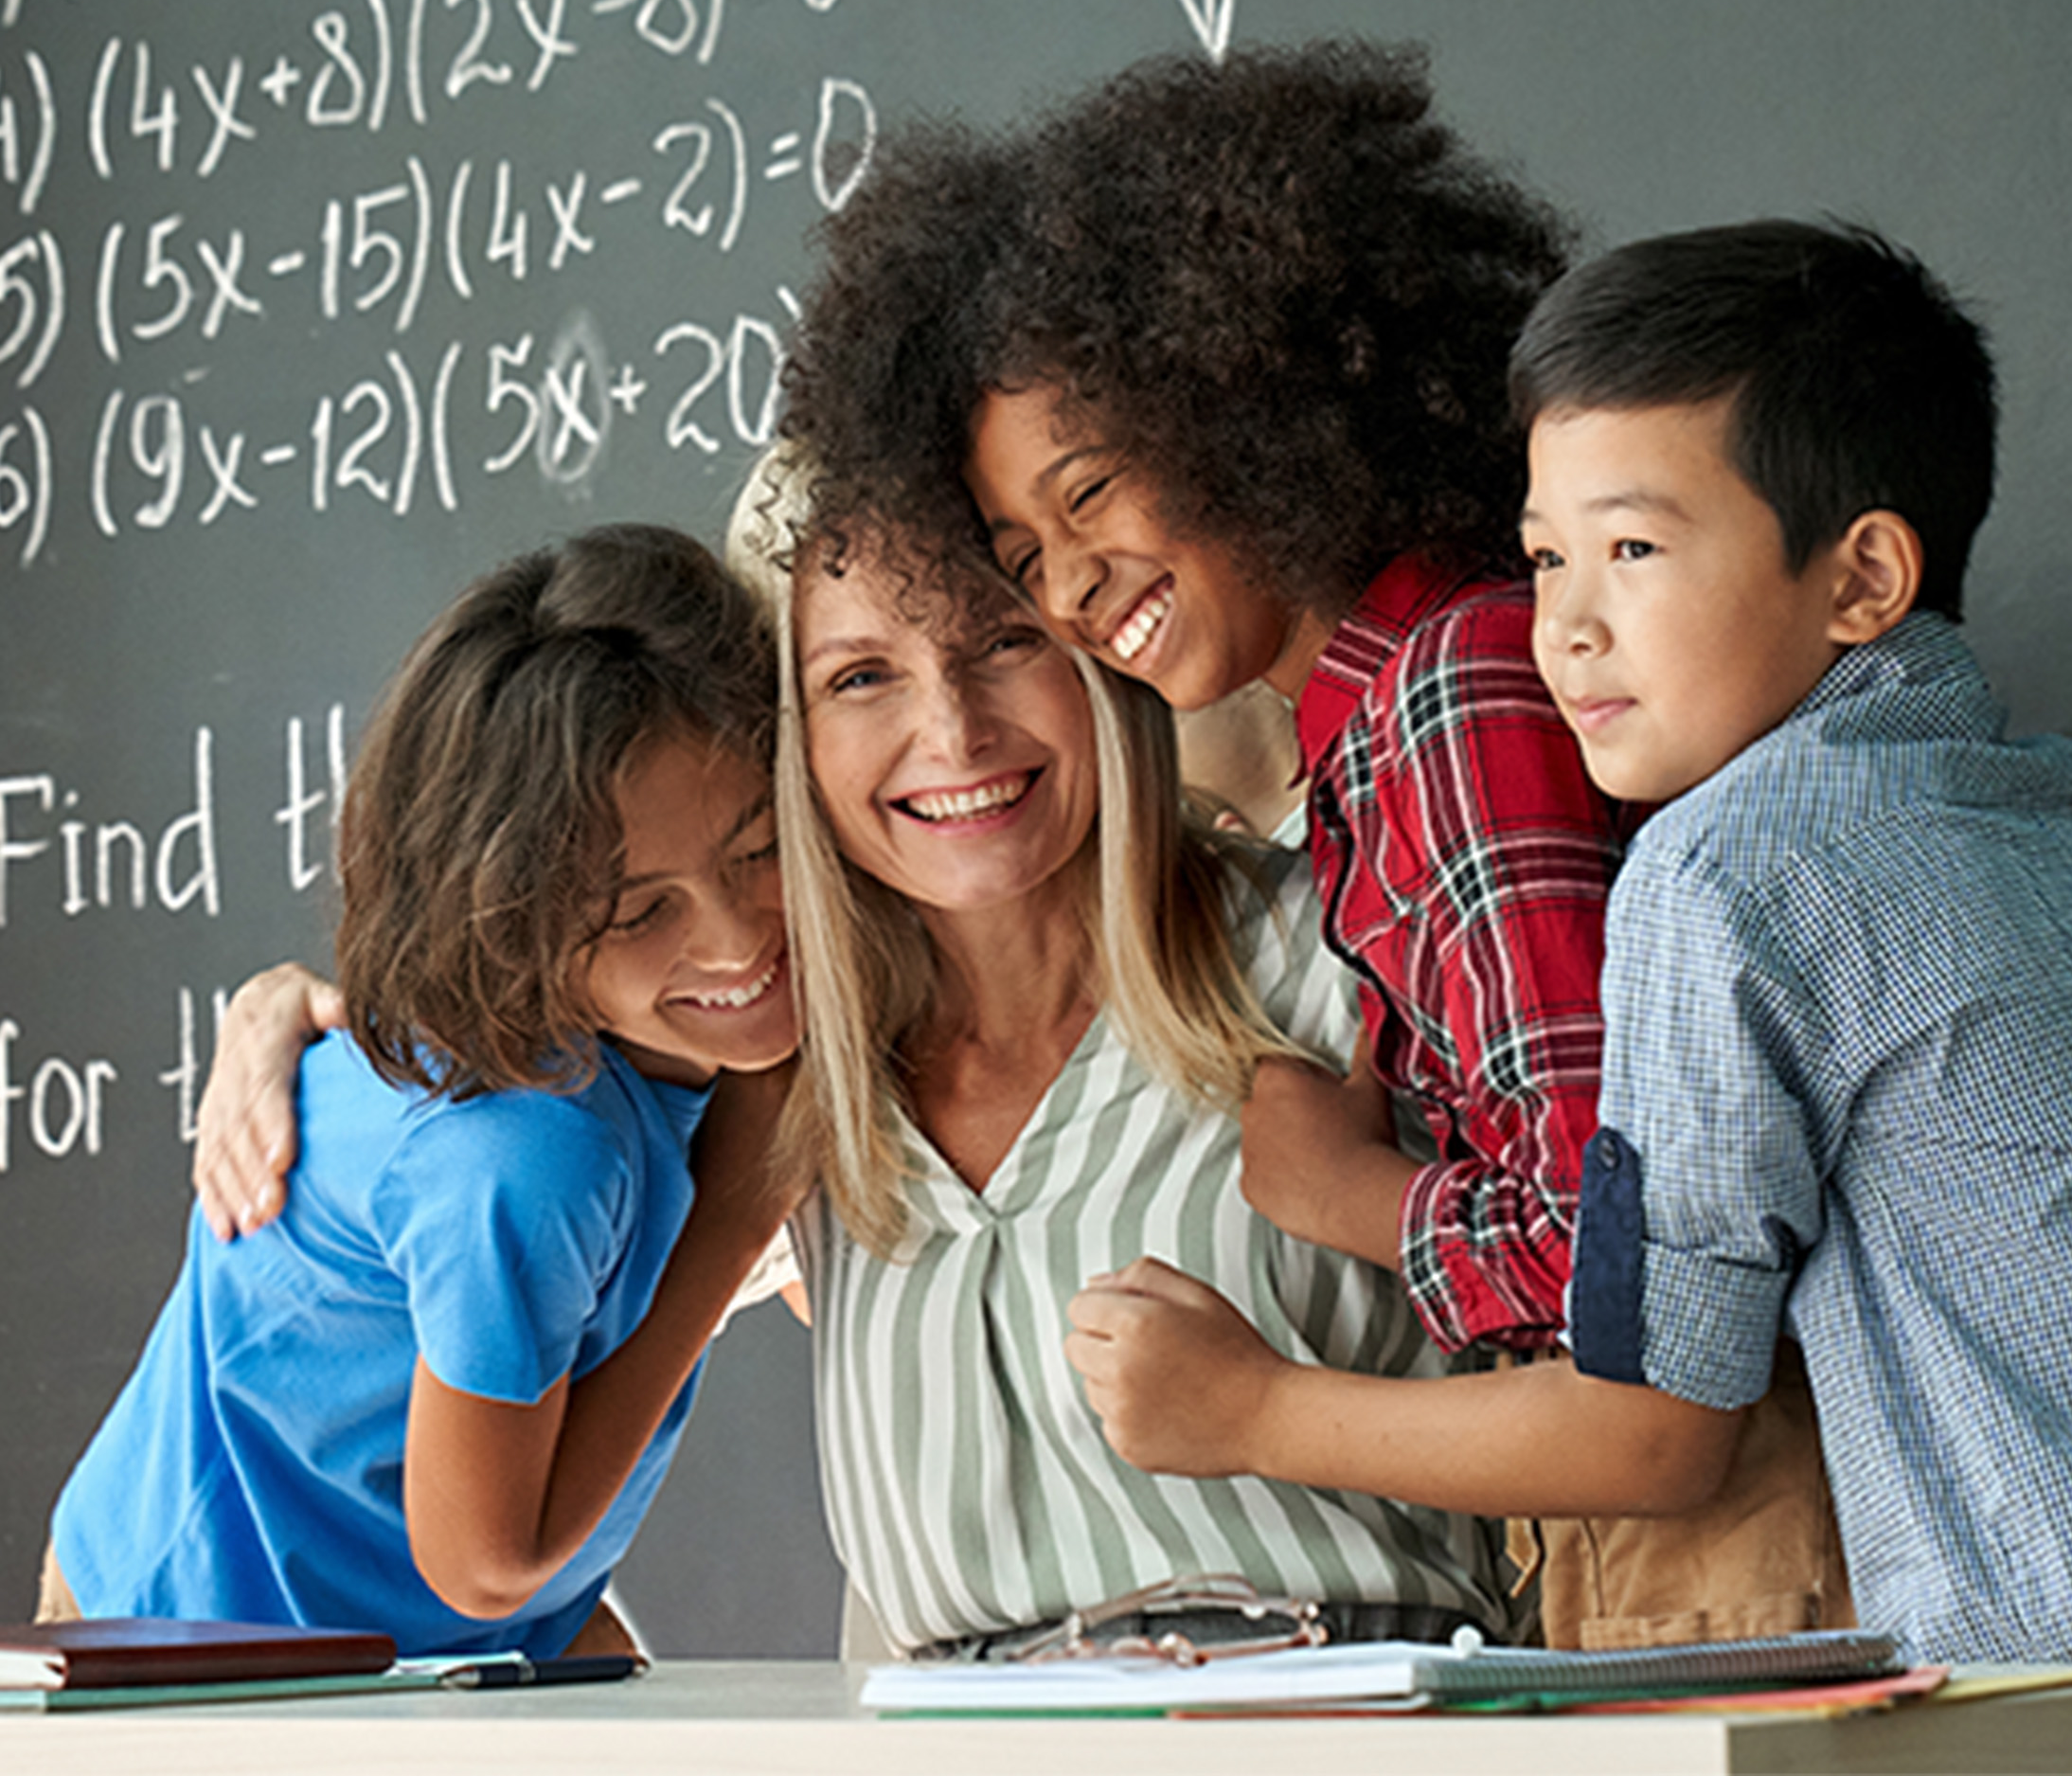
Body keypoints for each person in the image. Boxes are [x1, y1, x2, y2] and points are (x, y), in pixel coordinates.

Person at [777, 41, 1849, 1649]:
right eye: (1025, 552)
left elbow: (1603, 1278)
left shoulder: (1457, 697)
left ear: (1248, 407)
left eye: (1092, 497)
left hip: (1711, 1552)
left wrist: (1341, 1198)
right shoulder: (1376, 727)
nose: (1071, 587)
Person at [194, 452, 1516, 1661]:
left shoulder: (1349, 951)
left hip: (1348, 1712)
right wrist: (297, 1015)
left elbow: (1649, 1387)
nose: (951, 733)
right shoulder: (788, 1074)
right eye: (859, 677)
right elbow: (491, 1000)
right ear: (788, 739)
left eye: (1004, 640)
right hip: (936, 1729)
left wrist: (1276, 1404)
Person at [1061, 220, 2072, 1664]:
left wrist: (1251, 1408)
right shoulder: (2040, 805)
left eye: (1636, 549)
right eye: (1543, 559)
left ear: (1860, 581)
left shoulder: (1723, 874)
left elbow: (1654, 1432)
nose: (1567, 631)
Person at [47, 526, 802, 1659]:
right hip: (201, 1625)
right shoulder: (529, 1148)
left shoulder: (707, 1044)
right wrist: (740, 1213)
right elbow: (486, 1562)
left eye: (761, 849)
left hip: (399, 1594)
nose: (738, 934)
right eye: (642, 910)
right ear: (521, 922)